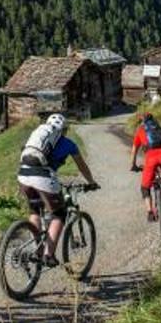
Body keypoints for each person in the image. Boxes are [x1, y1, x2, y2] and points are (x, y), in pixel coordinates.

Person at [17, 113, 99, 267]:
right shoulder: (68, 143)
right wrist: (91, 182)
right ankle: (48, 255)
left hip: (23, 174)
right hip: (42, 176)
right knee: (59, 214)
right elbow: (82, 166)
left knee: (35, 211)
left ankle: (38, 249)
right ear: (64, 129)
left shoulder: (38, 137)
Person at [129, 112, 161, 222]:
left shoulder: (140, 131)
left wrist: (133, 165)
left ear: (142, 122)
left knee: (145, 187)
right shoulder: (160, 129)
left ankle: (150, 212)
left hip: (150, 159)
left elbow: (134, 151)